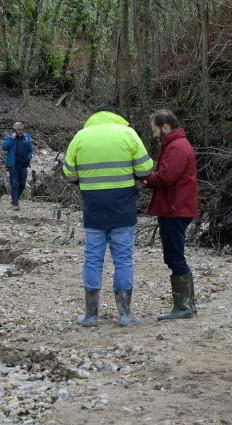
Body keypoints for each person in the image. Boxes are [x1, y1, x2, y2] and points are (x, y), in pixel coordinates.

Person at [63, 106, 153, 327]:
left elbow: (68, 173)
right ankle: (125, 314)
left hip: (93, 208)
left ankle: (91, 315)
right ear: (116, 118)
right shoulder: (128, 134)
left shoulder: (80, 136)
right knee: (123, 260)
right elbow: (145, 169)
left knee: (93, 260)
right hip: (122, 207)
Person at [138, 109, 198, 320]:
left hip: (175, 208)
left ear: (165, 127)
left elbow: (166, 176)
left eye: (155, 130)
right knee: (176, 255)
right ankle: (188, 305)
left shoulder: (177, 147)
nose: (153, 135)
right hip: (177, 207)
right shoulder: (176, 145)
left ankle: (183, 308)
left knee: (174, 257)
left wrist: (145, 180)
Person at [2, 122, 33, 210]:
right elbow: (4, 148)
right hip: (13, 165)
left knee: (22, 185)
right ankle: (15, 203)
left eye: (22, 129)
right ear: (15, 129)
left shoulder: (26, 137)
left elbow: (30, 150)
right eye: (19, 129)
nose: (21, 131)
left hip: (24, 164)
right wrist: (12, 139)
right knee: (14, 184)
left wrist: (29, 157)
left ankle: (14, 200)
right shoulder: (9, 137)